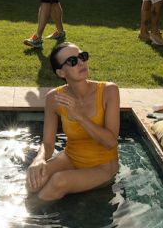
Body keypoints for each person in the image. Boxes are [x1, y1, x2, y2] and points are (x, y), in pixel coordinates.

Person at [25, 42, 120, 201]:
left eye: (82, 56)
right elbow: (48, 144)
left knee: (59, 181)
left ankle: (22, 222)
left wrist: (80, 117)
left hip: (103, 166)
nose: (81, 62)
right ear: (61, 73)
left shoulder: (108, 91)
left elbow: (110, 142)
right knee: (34, 180)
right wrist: (39, 159)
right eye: (72, 61)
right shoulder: (53, 98)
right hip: (70, 158)